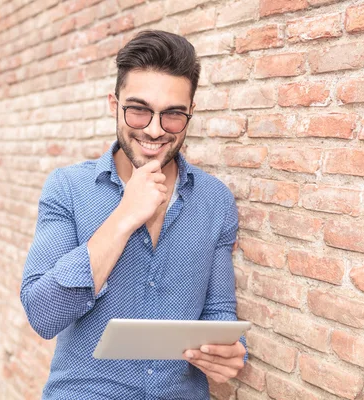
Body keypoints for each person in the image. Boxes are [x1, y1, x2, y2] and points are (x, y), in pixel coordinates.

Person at [20, 29, 247, 400]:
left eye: (173, 115)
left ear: (191, 113)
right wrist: (124, 217)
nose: (155, 130)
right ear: (114, 103)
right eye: (139, 110)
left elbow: (218, 310)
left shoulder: (215, 200)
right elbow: (44, 314)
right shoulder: (67, 188)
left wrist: (227, 352)